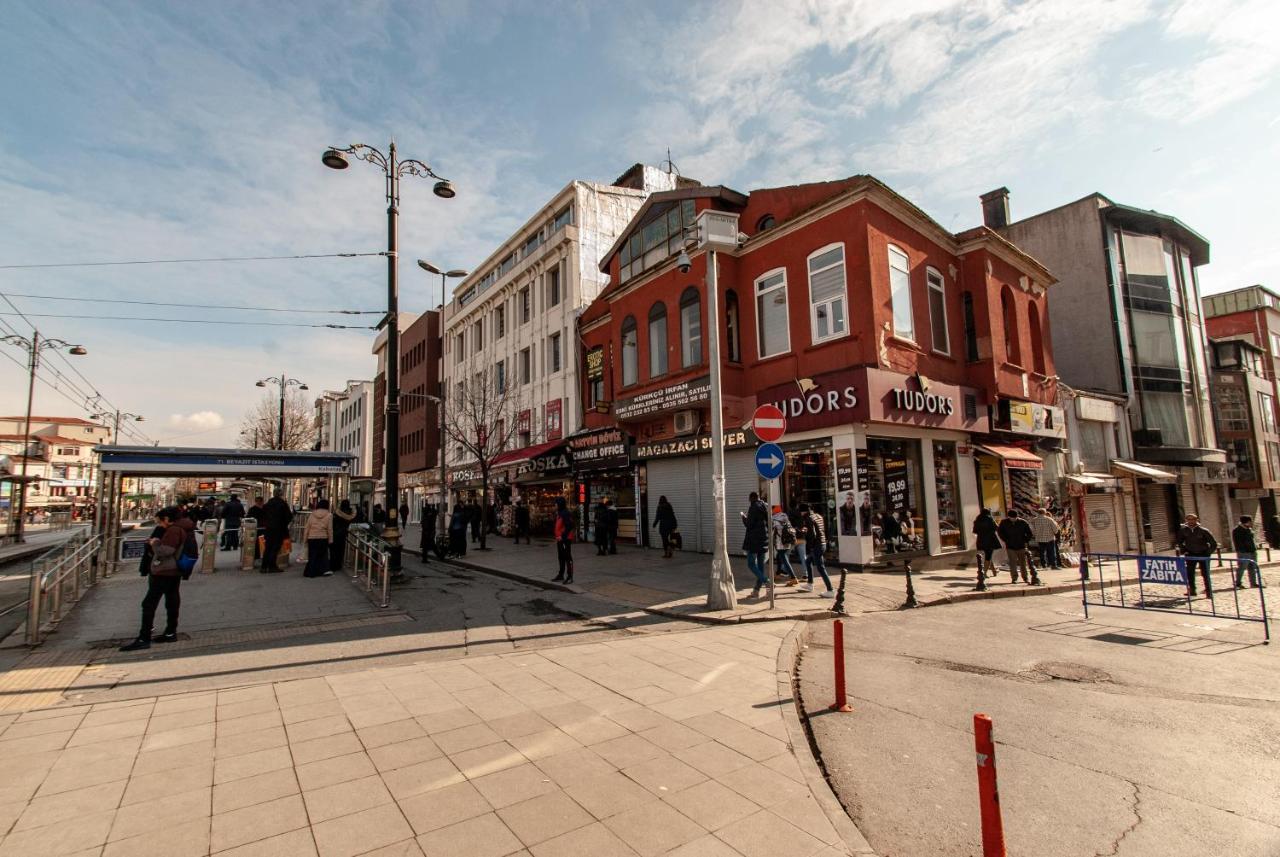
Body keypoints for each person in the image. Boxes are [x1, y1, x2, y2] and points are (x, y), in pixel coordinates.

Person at [120, 506, 193, 651]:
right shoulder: (183, 527)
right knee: (172, 600)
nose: (159, 525)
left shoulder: (173, 530)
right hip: (174, 570)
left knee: (149, 604)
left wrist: (154, 543)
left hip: (165, 570)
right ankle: (170, 632)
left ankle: (144, 638)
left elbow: (166, 550)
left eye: (160, 521)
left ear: (167, 519)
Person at [1176, 513, 1217, 597]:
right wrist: (1184, 550)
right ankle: (1192, 590)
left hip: (1203, 554)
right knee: (1190, 573)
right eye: (1189, 519)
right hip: (1190, 554)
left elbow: (1213, 543)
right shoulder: (1183, 531)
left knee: (1205, 573)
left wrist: (1208, 553)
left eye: (1193, 519)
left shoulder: (1204, 530)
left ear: (1196, 520)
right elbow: (1180, 542)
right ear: (1186, 520)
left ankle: (1209, 591)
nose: (1191, 521)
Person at [799, 503, 833, 597]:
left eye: (801, 512)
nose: (801, 514)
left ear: (803, 511)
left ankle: (830, 590)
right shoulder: (818, 516)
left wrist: (811, 545)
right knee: (808, 561)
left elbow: (813, 534)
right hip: (822, 543)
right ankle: (810, 584)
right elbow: (821, 529)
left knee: (821, 568)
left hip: (816, 545)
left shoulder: (808, 518)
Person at [740, 492, 770, 598]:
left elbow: (749, 524)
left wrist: (743, 517)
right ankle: (756, 591)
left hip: (753, 541)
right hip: (764, 540)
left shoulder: (753, 507)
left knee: (751, 564)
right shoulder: (765, 506)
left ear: (751, 498)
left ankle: (768, 582)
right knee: (760, 568)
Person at [997, 509, 1035, 584]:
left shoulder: (1023, 522)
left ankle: (1025, 577)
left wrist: (1025, 540)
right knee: (1012, 563)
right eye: (1011, 517)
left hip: (1021, 546)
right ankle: (1014, 578)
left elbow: (1029, 533)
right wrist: (1005, 540)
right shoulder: (1004, 522)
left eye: (1014, 517)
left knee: (1023, 563)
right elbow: (1000, 532)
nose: (1013, 519)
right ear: (1009, 517)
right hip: (1010, 546)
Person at [260, 489, 293, 574]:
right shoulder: (283, 504)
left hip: (269, 529)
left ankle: (264, 567)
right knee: (275, 547)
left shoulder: (267, 504)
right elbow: (288, 517)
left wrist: (267, 523)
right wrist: (284, 524)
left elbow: (262, 516)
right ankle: (272, 566)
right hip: (279, 529)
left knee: (268, 547)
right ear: (281, 494)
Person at [303, 498, 334, 578]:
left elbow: (307, 527)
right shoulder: (329, 515)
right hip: (323, 537)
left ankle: (310, 572)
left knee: (312, 555)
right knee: (323, 555)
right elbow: (330, 529)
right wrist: (330, 539)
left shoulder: (312, 514)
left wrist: (305, 538)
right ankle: (323, 570)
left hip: (312, 537)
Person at [771, 505, 800, 586]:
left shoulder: (774, 518)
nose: (771, 511)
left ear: (775, 510)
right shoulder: (785, 516)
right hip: (788, 541)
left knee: (784, 559)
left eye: (772, 510)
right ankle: (778, 574)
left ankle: (793, 578)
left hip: (780, 542)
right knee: (779, 557)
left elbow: (772, 530)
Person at [1232, 515, 1262, 589]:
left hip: (1252, 551)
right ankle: (1238, 583)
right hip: (1244, 552)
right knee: (1242, 567)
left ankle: (1253, 583)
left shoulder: (1249, 529)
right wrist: (1242, 550)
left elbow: (1252, 539)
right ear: (1245, 522)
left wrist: (1254, 548)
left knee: (1253, 567)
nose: (1250, 523)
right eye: (1249, 521)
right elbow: (1238, 542)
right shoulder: (1237, 530)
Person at [972, 508, 1002, 580]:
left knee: (988, 555)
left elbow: (975, 531)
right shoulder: (990, 519)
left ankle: (994, 571)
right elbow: (996, 527)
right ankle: (984, 573)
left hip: (981, 540)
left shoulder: (977, 520)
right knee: (988, 556)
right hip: (990, 540)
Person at [552, 496, 575, 584]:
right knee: (561, 557)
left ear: (560, 504)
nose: (555, 505)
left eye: (556, 503)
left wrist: (563, 536)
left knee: (567, 557)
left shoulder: (565, 513)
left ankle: (570, 576)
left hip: (565, 539)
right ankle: (561, 574)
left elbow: (570, 525)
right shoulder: (560, 513)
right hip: (560, 539)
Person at [331, 499, 355, 572]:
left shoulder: (337, 512)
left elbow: (333, 522)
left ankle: (333, 565)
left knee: (334, 550)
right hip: (343, 533)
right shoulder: (351, 513)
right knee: (341, 550)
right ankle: (339, 564)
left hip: (335, 533)